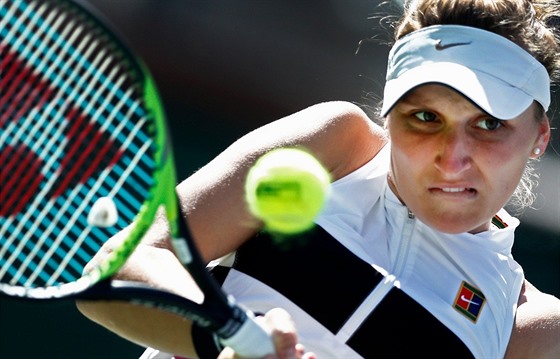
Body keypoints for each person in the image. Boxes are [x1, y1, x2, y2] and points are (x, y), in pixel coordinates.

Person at [77, 0, 560, 358]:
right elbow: (120, 268)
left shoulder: (531, 329)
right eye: (426, 118)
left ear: (539, 137)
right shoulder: (335, 144)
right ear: (388, 115)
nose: (453, 159)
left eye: (490, 124)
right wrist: (227, 336)